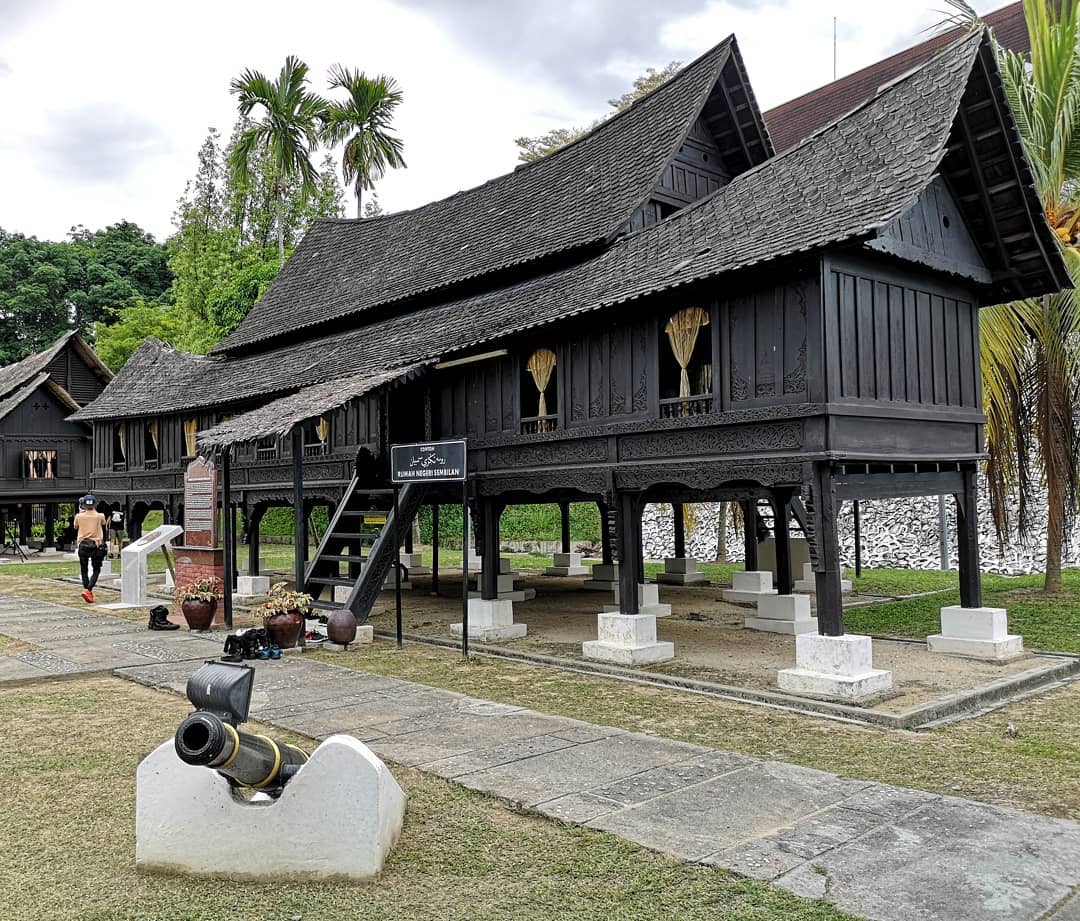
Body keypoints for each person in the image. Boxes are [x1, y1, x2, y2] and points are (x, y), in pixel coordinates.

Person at [74, 495, 108, 603]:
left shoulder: (79, 516)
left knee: (84, 569)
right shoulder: (100, 516)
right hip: (96, 544)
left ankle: (86, 589)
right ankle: (89, 589)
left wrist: (81, 512)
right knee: (96, 569)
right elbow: (103, 524)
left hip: (83, 544)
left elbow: (75, 526)